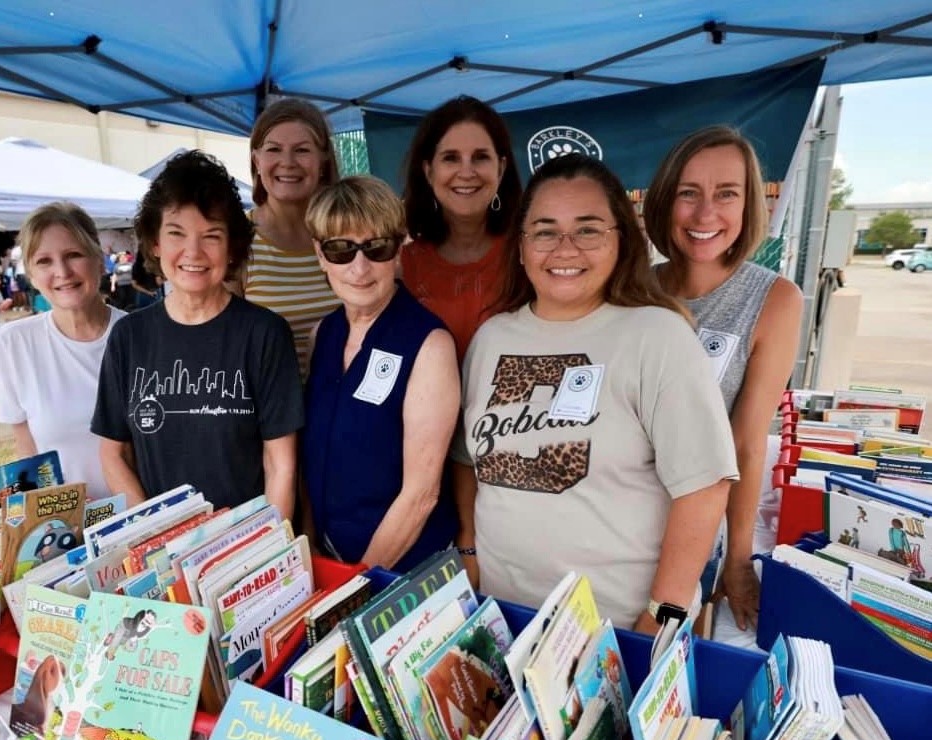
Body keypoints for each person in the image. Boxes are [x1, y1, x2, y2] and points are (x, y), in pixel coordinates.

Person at [453, 153, 737, 632]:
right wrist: (468, 550)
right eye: (545, 231)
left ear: (621, 241)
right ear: (521, 247)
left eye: (587, 230)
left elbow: (705, 487)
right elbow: (467, 460)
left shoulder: (657, 335)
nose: (565, 248)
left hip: (613, 632)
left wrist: (662, 615)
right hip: (503, 619)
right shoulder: (492, 339)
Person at [644, 126, 804, 634]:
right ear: (666, 200)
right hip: (614, 520)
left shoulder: (774, 299)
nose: (705, 213)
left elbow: (745, 442)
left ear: (749, 204)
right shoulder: (633, 288)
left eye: (726, 194)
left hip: (693, 534)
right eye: (688, 193)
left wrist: (737, 558)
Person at [92, 150, 303, 517]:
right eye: (176, 233)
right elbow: (114, 454)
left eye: (211, 236)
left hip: (246, 547)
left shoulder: (265, 334)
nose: (193, 252)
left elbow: (280, 464)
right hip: (160, 550)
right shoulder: (129, 337)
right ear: (155, 243)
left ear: (232, 247)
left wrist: (266, 546)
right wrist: (155, 534)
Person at [303, 176, 459, 571]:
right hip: (329, 564)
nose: (359, 267)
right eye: (340, 250)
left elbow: (421, 495)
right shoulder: (322, 334)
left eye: (376, 248)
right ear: (320, 255)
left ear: (398, 249)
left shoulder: (428, 343)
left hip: (402, 574)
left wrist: (357, 584)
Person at [0, 202, 128, 499]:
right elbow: (27, 450)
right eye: (44, 261)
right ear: (30, 273)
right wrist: (57, 507)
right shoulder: (13, 343)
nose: (62, 272)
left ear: (99, 258)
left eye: (74, 255)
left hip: (146, 517)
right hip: (68, 524)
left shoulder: (139, 334)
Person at [399, 96, 523, 363]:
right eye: (451, 158)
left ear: (501, 169)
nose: (466, 172)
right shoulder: (400, 267)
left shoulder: (529, 256)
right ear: (428, 170)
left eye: (480, 157)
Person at [238, 98, 340, 376]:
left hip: (346, 410)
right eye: (274, 149)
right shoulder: (237, 242)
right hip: (272, 415)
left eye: (302, 150)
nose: (288, 162)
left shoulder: (346, 236)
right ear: (256, 160)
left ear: (323, 160)